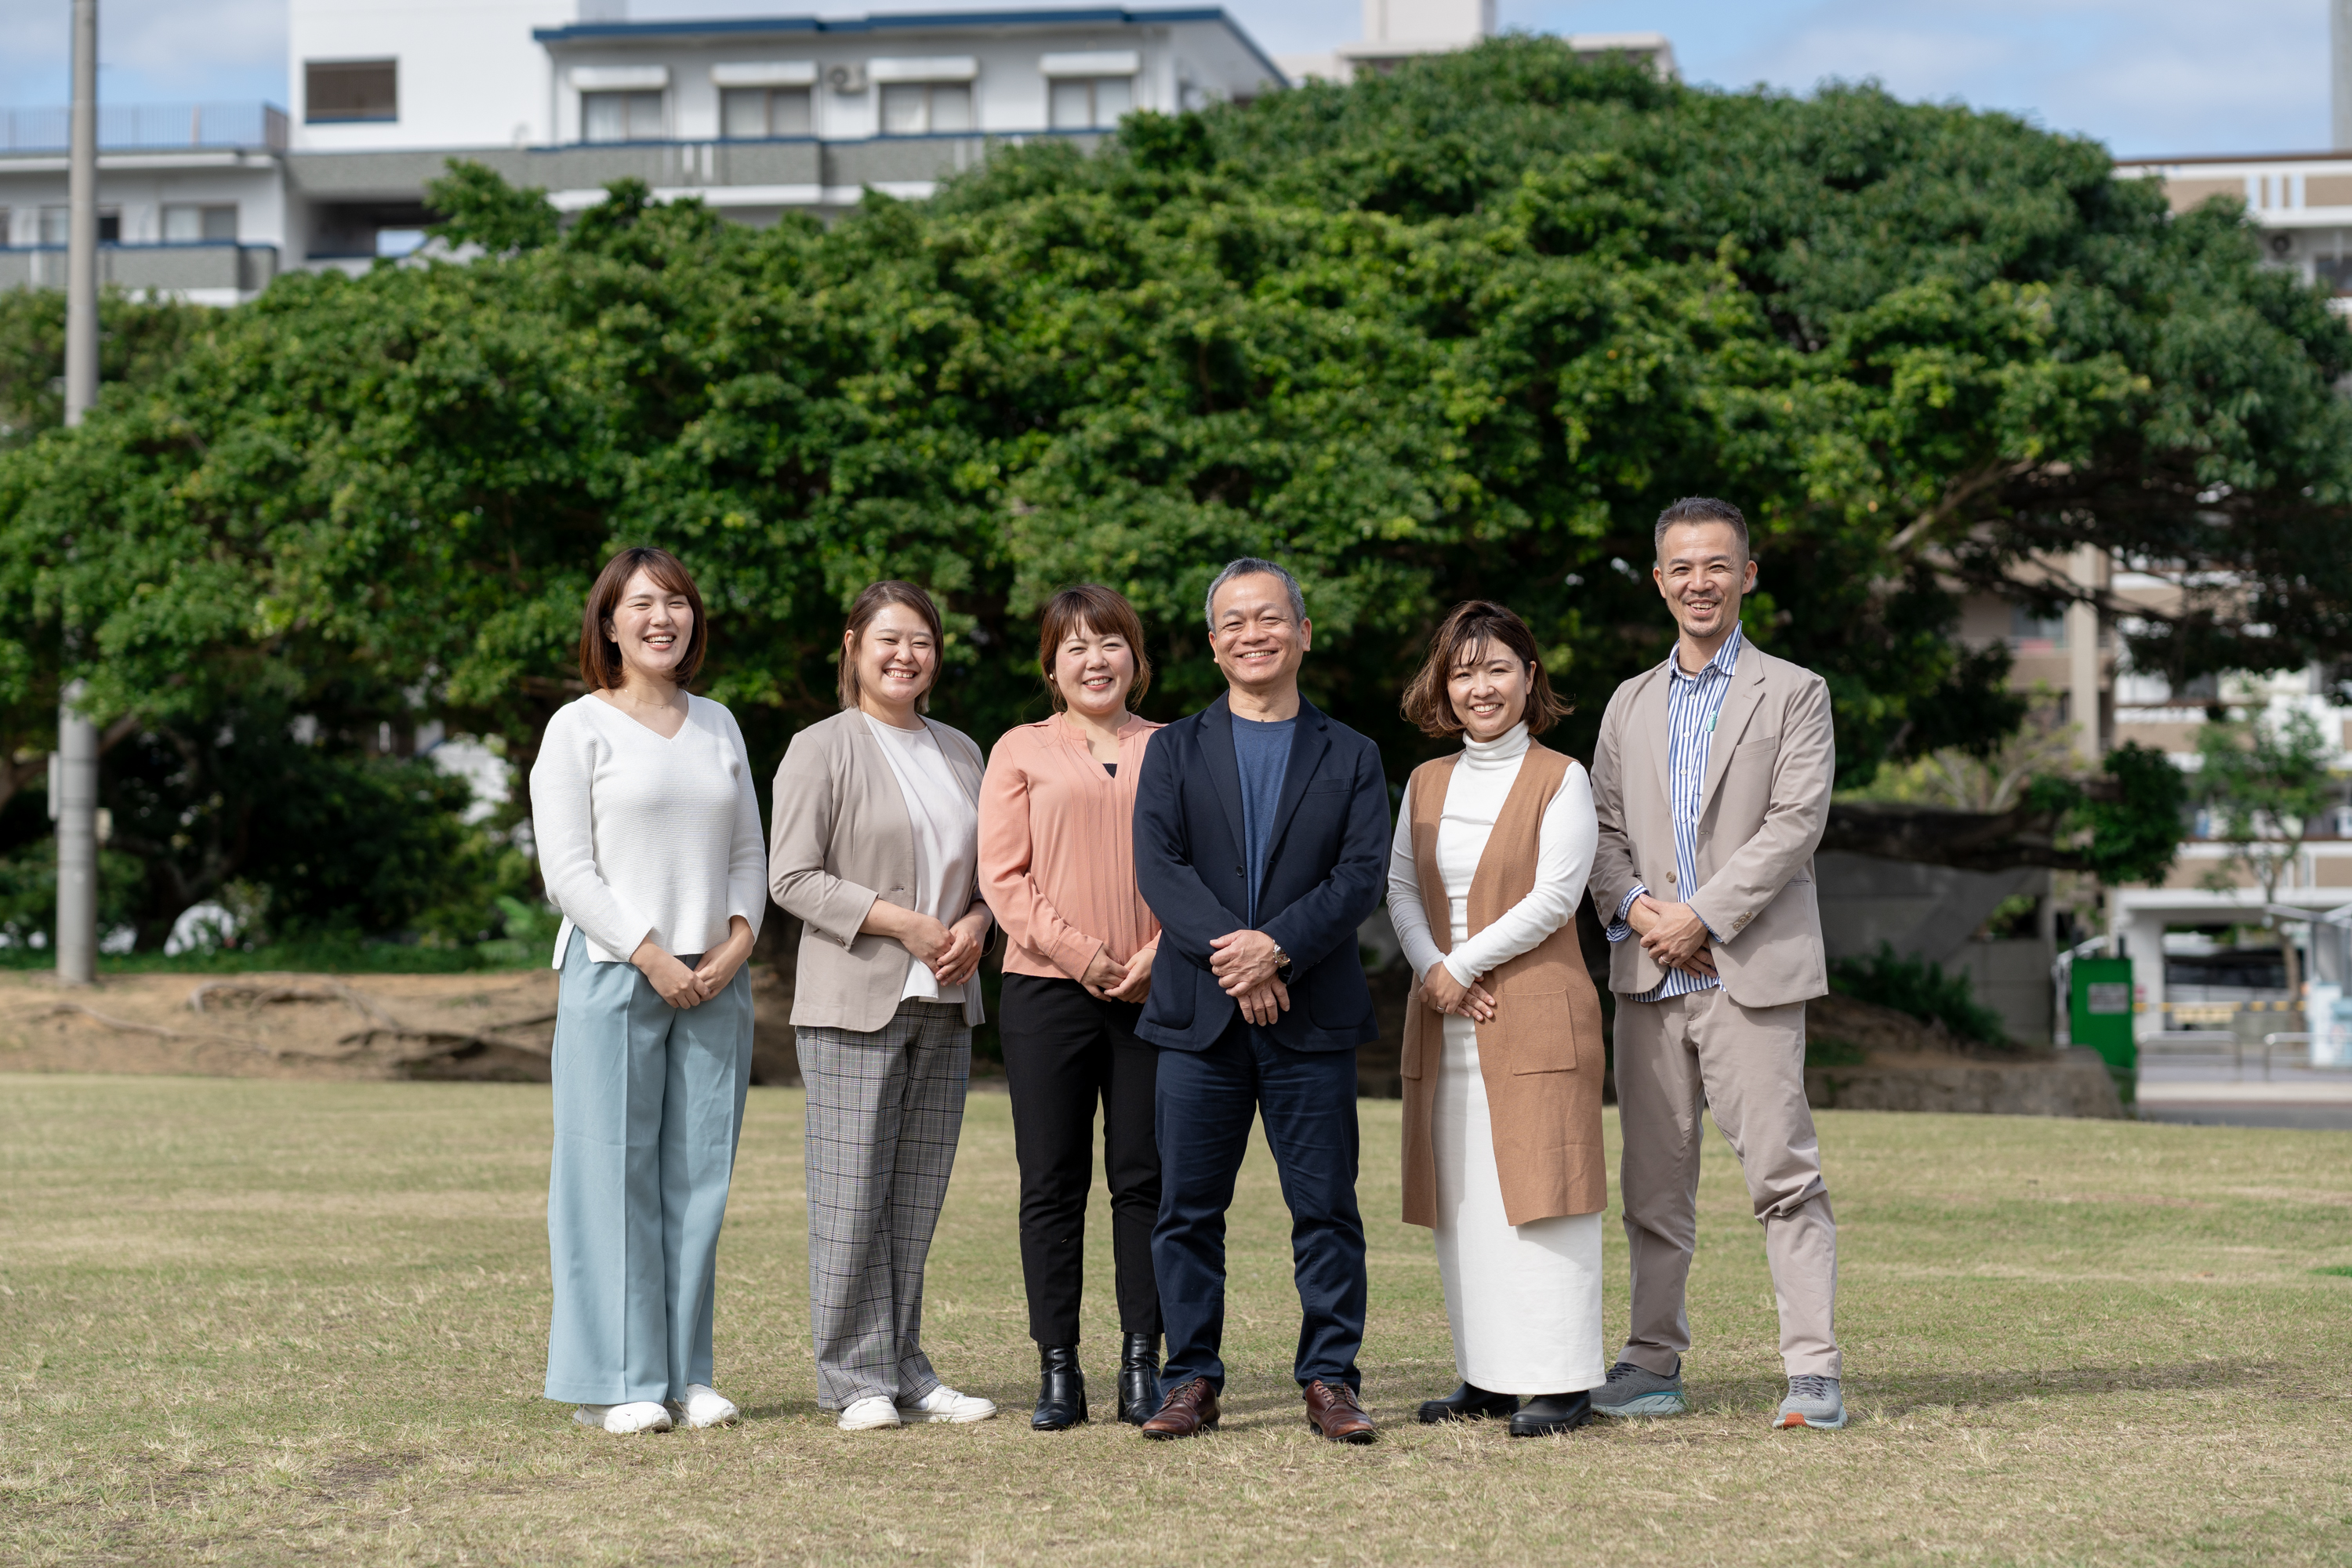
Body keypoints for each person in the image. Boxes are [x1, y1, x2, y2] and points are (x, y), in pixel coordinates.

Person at [1586, 495, 1845, 1431]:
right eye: (1682, 567)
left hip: (1751, 971)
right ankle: (1651, 1363)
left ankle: (1812, 1371)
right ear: (1659, 580)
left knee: (1784, 1177)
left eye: (1718, 564)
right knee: (1652, 1190)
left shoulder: (1795, 691)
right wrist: (1636, 907)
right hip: (1649, 980)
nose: (1701, 581)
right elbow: (1603, 831)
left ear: (1748, 575)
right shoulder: (1628, 701)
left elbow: (1795, 824)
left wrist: (1701, 915)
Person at [1129, 557, 1392, 1444]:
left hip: (1311, 1015)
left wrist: (1277, 946)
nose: (1254, 633)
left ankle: (1330, 1376)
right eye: (1234, 621)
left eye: (1271, 618)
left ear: (1303, 632)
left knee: (1324, 1207)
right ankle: (1191, 1376)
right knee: (1187, 1210)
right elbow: (1161, 867)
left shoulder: (1352, 752)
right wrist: (1237, 956)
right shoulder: (1171, 748)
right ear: (1213, 644)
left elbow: (1360, 875)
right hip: (1198, 1019)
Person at [530, 546, 767, 1436]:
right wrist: (650, 953)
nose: (661, 617)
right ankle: (612, 1379)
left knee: (698, 1177)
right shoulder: (577, 727)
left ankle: (685, 1372)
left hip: (717, 977)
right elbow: (568, 869)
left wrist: (738, 939)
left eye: (676, 603)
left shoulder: (720, 723)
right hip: (613, 972)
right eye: (641, 605)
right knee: (606, 1174)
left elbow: (750, 850)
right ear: (609, 624)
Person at [768, 580, 999, 1432]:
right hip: (851, 999)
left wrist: (976, 921)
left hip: (946, 997)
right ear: (854, 645)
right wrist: (901, 921)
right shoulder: (820, 747)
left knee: (914, 1197)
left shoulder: (962, 750)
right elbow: (790, 875)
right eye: (890, 639)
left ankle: (906, 1363)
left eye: (923, 642)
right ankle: (852, 1376)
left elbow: (990, 875)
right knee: (849, 1196)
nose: (907, 655)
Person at [1386, 601, 1608, 1439]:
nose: (1481, 686)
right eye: (1464, 671)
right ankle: (1488, 1373)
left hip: (1534, 1009)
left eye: (1497, 668)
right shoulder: (1425, 782)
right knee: (1469, 1199)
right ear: (1445, 685)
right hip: (1445, 1019)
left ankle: (1561, 1380)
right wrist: (1432, 971)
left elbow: (1557, 895)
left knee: (1547, 1193)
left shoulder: (1563, 776)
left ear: (1530, 676)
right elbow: (1402, 888)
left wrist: (1460, 965)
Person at [977, 585, 1167, 1431]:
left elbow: (1199, 868)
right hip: (1047, 991)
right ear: (1052, 665)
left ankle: (1141, 1362)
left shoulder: (1176, 747)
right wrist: (1085, 955)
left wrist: (1160, 953)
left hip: (1156, 991)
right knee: (1051, 1182)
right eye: (1077, 646)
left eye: (1112, 642)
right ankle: (1059, 1366)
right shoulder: (1019, 749)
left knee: (1146, 1182)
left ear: (1136, 656)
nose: (1096, 659)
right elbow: (1004, 877)